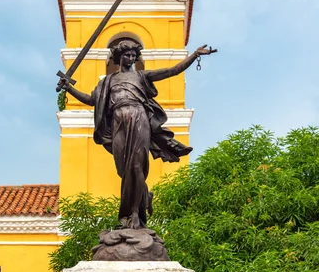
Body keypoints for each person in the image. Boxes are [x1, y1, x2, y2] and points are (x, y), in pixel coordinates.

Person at [61, 39, 217, 229]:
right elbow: (91, 100)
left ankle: (134, 214)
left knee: (136, 166)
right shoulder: (108, 82)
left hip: (139, 118)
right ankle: (143, 194)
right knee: (124, 170)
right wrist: (69, 88)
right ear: (119, 58)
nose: (131, 58)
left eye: (134, 56)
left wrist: (194, 55)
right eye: (127, 55)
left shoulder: (142, 77)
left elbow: (172, 71)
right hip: (119, 121)